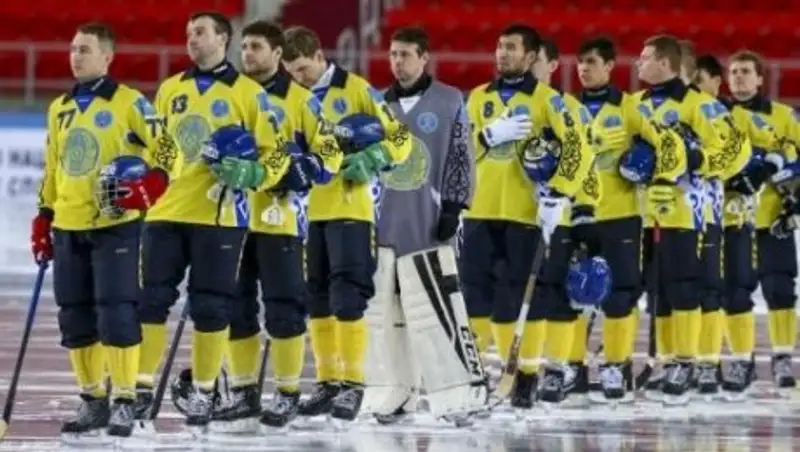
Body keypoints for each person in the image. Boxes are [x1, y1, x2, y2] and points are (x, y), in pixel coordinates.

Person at [133, 11, 291, 429]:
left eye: (200, 32)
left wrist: (256, 174)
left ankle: (203, 391)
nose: (192, 39)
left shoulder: (248, 94)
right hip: (165, 212)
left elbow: (275, 151)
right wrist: (149, 176)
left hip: (220, 217)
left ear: (223, 38)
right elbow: (159, 146)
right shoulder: (170, 89)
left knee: (211, 307)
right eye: (188, 33)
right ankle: (140, 390)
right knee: (150, 301)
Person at [33, 22, 181, 437]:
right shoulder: (59, 106)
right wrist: (44, 215)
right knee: (74, 319)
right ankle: (93, 400)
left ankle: (123, 400)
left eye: (84, 49)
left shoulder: (131, 102)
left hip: (115, 225)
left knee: (117, 313)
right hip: (68, 224)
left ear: (107, 56)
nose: (75, 55)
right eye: (73, 48)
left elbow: (168, 149)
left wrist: (155, 182)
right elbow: (53, 166)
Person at [281, 25, 413, 422]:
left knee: (347, 298)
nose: (298, 78)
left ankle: (353, 384)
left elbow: (401, 138)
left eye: (303, 69)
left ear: (320, 56)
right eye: (291, 72)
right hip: (308, 214)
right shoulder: (292, 97)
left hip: (350, 209)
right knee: (316, 299)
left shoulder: (357, 90)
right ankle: (328, 381)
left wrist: (375, 158)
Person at [462, 24, 596, 409]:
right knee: (475, 298)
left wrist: (559, 192)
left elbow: (579, 149)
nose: (502, 53)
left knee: (519, 298)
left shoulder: (549, 101)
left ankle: (525, 375)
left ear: (532, 56)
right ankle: (475, 375)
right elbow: (457, 154)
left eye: (511, 48)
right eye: (499, 46)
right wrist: (486, 137)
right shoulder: (476, 98)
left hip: (525, 215)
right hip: (480, 211)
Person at [359, 26, 487, 425]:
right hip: (384, 225)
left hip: (430, 223)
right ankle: (395, 393)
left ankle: (458, 396)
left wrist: (455, 204)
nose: (397, 62)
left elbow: (461, 157)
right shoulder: (376, 103)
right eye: (393, 54)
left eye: (405, 54)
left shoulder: (449, 101)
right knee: (388, 316)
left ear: (424, 56)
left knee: (441, 312)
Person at [628, 34, 747, 404]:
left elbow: (735, 151)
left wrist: (695, 161)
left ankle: (691, 361)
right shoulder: (634, 104)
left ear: (664, 63)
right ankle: (666, 360)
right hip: (644, 213)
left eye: (645, 57)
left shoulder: (701, 105)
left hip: (692, 212)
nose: (637, 63)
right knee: (658, 293)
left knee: (690, 289)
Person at [725, 50, 799, 393]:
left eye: (745, 72)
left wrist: (794, 205)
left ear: (759, 78)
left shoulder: (785, 116)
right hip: (732, 219)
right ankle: (742, 361)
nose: (738, 77)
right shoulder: (718, 115)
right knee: (734, 292)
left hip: (774, 219)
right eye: (734, 71)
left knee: (780, 288)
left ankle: (783, 357)